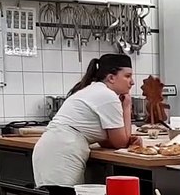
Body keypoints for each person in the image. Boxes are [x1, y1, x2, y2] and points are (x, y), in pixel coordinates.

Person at [32, 54, 133, 187]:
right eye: (128, 76)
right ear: (111, 78)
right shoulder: (108, 96)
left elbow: (108, 140)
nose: (132, 82)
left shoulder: (94, 90)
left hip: (52, 149)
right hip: (63, 154)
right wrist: (126, 107)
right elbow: (120, 142)